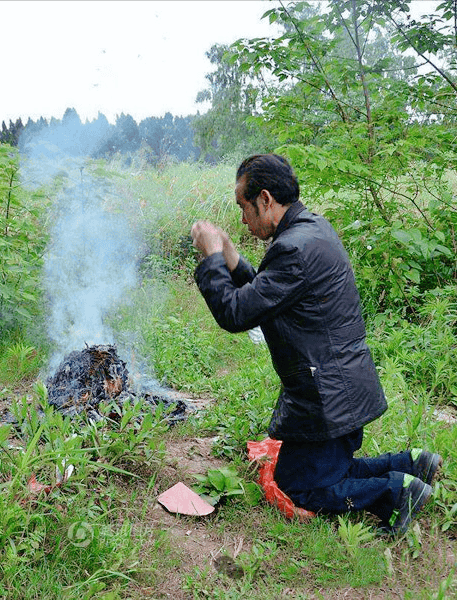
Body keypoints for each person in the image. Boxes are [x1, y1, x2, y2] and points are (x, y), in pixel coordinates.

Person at [189, 153, 441, 535]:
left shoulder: (293, 248)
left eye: (244, 207)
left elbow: (236, 314)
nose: (242, 219)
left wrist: (210, 259)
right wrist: (230, 257)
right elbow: (268, 294)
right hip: (339, 387)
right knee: (327, 471)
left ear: (266, 199)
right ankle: (412, 464)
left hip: (327, 397)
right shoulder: (311, 230)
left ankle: (397, 491)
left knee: (300, 486)